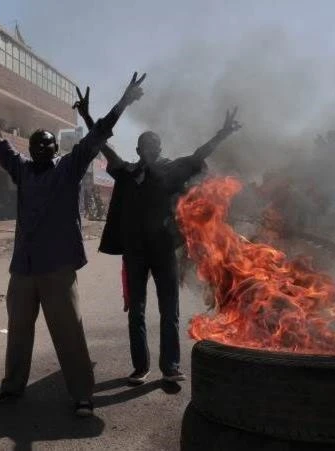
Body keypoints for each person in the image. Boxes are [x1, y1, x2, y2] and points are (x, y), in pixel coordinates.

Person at [0, 72, 145, 417]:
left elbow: (98, 134)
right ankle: (12, 387)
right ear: (30, 150)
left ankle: (82, 395)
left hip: (59, 269)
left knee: (70, 334)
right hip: (23, 269)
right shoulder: (21, 170)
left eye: (49, 143)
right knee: (18, 333)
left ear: (55, 148)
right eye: (37, 144)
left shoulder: (69, 168)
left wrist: (123, 101)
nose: (43, 147)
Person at [78, 83, 241, 385]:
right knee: (136, 312)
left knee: (170, 311)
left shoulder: (171, 171)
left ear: (160, 150)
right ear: (139, 150)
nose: (151, 149)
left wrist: (223, 133)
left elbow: (197, 156)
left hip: (164, 250)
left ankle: (171, 366)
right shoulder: (126, 172)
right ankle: (140, 368)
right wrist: (88, 119)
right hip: (135, 252)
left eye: (155, 145)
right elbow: (103, 145)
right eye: (145, 145)